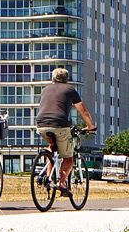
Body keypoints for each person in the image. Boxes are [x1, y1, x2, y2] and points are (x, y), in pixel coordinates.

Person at [35, 67, 95, 195]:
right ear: (67, 80)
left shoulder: (45, 90)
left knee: (51, 148)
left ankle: (48, 178)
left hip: (41, 125)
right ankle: (62, 182)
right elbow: (82, 111)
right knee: (68, 157)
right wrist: (90, 126)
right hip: (60, 125)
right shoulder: (70, 90)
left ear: (52, 79)